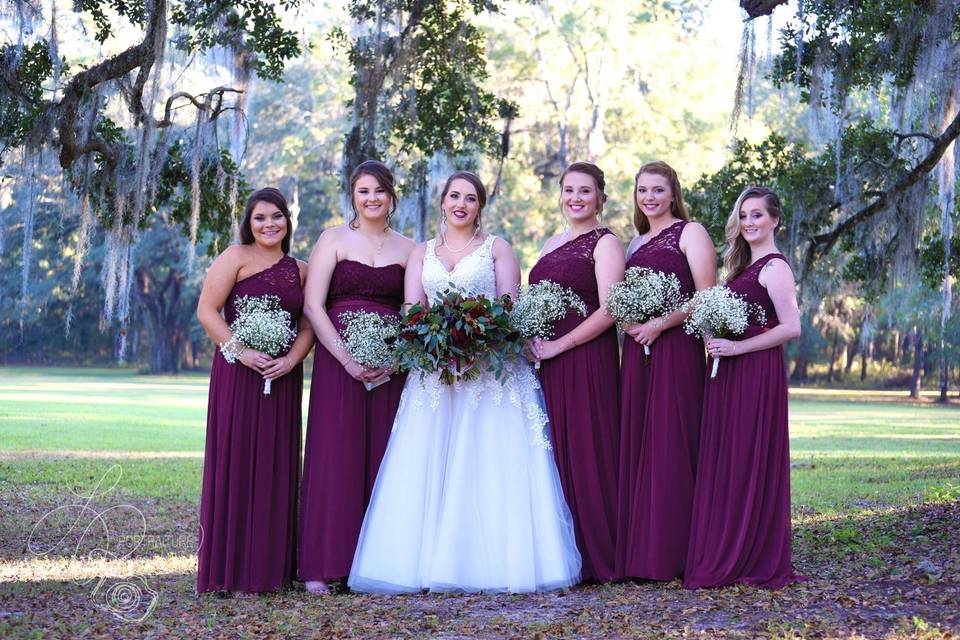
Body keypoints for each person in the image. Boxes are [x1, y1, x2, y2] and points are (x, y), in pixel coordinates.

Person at [348, 171, 581, 593]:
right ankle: (426, 563)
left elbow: (509, 308)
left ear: (480, 207)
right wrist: (435, 349)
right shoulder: (422, 253)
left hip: (489, 372)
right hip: (435, 374)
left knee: (488, 459)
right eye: (454, 196)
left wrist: (476, 342)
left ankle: (487, 565)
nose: (460, 204)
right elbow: (412, 312)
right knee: (430, 460)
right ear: (442, 202)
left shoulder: (497, 249)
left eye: (470, 199)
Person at [299, 160, 415, 594]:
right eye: (364, 191)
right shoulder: (333, 239)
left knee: (385, 457)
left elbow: (412, 311)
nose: (372, 199)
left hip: (390, 368)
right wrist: (346, 358)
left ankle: (378, 564)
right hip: (337, 364)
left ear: (391, 196)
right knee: (335, 455)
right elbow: (313, 305)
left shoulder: (408, 249)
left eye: (379, 191)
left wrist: (396, 358)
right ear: (353, 195)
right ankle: (323, 563)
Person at [684, 186, 804, 589]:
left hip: (755, 372)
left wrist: (738, 347)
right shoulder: (741, 268)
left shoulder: (775, 267)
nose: (750, 222)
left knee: (749, 455)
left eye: (758, 215)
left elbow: (792, 327)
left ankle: (751, 552)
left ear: (775, 221)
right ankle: (728, 546)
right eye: (745, 215)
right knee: (729, 456)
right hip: (728, 372)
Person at [196, 187, 314, 594]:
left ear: (287, 221)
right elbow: (207, 311)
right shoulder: (235, 257)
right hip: (238, 375)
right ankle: (229, 571)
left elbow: (308, 325)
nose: (269, 224)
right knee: (237, 460)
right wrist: (241, 352)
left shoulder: (300, 269)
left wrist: (291, 360)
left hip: (282, 380)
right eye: (260, 218)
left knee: (276, 464)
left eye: (276, 216)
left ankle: (269, 570)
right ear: (249, 222)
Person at [615, 161, 716, 581]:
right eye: (642, 190)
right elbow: (618, 299)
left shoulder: (691, 233)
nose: (650, 197)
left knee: (672, 440)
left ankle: (674, 552)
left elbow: (707, 295)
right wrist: (630, 322)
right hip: (638, 351)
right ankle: (642, 553)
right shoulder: (633, 244)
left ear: (673, 194)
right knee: (641, 441)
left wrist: (660, 323)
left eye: (658, 190)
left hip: (677, 348)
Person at [527, 161, 624, 582]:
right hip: (547, 362)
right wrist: (530, 338)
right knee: (554, 452)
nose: (575, 198)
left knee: (588, 449)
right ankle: (561, 554)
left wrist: (560, 345)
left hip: (586, 358)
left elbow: (611, 308)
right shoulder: (551, 242)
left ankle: (596, 553)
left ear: (600, 196)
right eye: (568, 190)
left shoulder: (605, 243)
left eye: (585, 191)